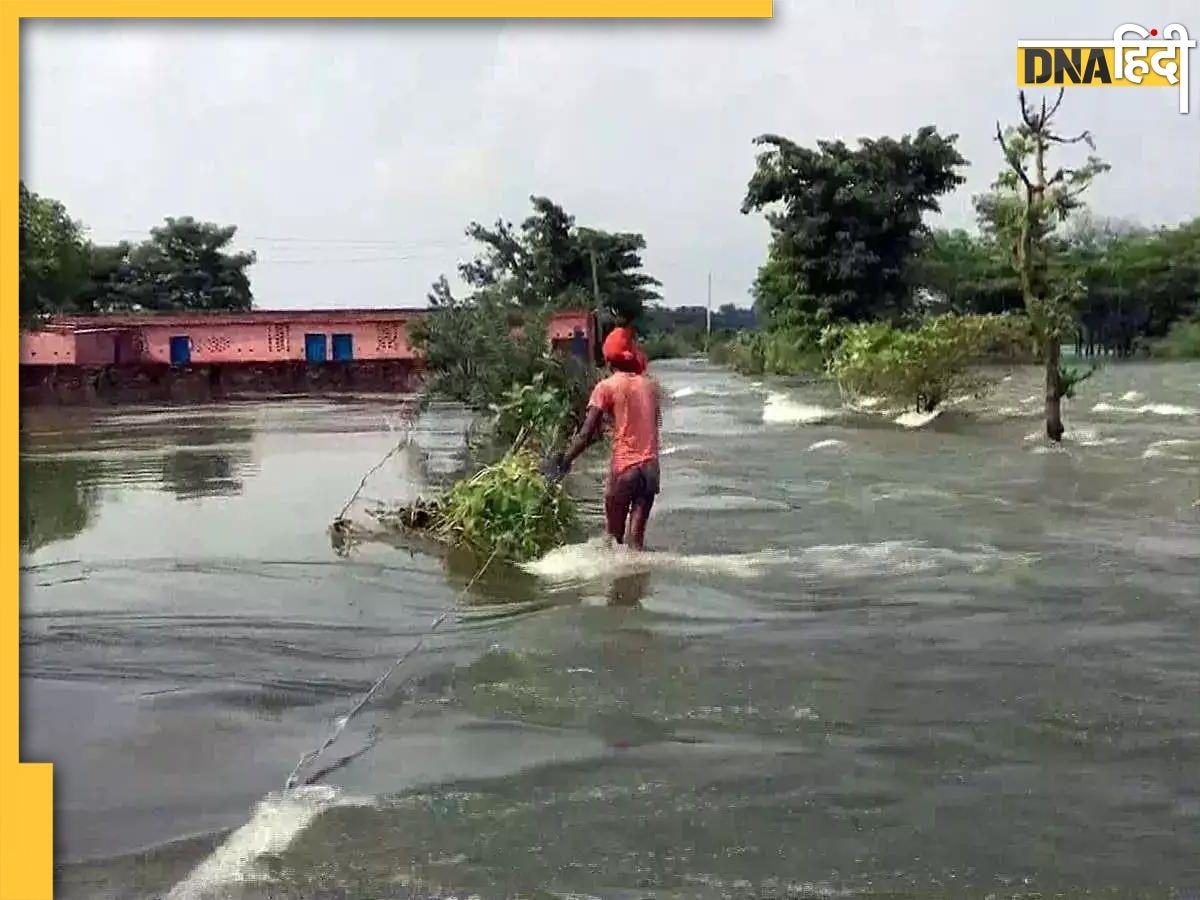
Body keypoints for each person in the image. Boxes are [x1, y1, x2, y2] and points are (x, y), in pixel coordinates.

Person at [552, 326, 662, 551]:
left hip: (624, 469)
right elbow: (653, 423)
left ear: (609, 361)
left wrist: (565, 460)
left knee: (613, 540)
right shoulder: (650, 386)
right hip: (650, 470)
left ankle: (619, 585)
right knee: (635, 545)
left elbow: (586, 433)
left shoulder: (606, 387)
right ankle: (637, 583)